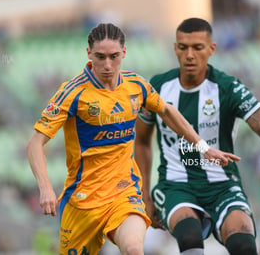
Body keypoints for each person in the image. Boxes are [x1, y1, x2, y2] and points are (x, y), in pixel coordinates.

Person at [26, 23, 240, 255]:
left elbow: (167, 111)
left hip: (124, 192)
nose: (107, 65)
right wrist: (46, 188)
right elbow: (35, 143)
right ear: (89, 54)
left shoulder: (135, 85)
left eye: (114, 56)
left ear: (124, 53)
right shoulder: (72, 93)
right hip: (83, 201)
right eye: (100, 57)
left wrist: (202, 147)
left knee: (133, 249)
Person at [135, 18, 260, 255]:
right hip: (176, 184)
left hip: (223, 185)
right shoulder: (157, 87)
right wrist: (143, 195)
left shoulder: (228, 87)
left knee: (243, 244)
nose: (189, 54)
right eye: (183, 47)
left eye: (197, 47)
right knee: (189, 236)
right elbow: (141, 141)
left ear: (211, 49)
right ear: (175, 48)